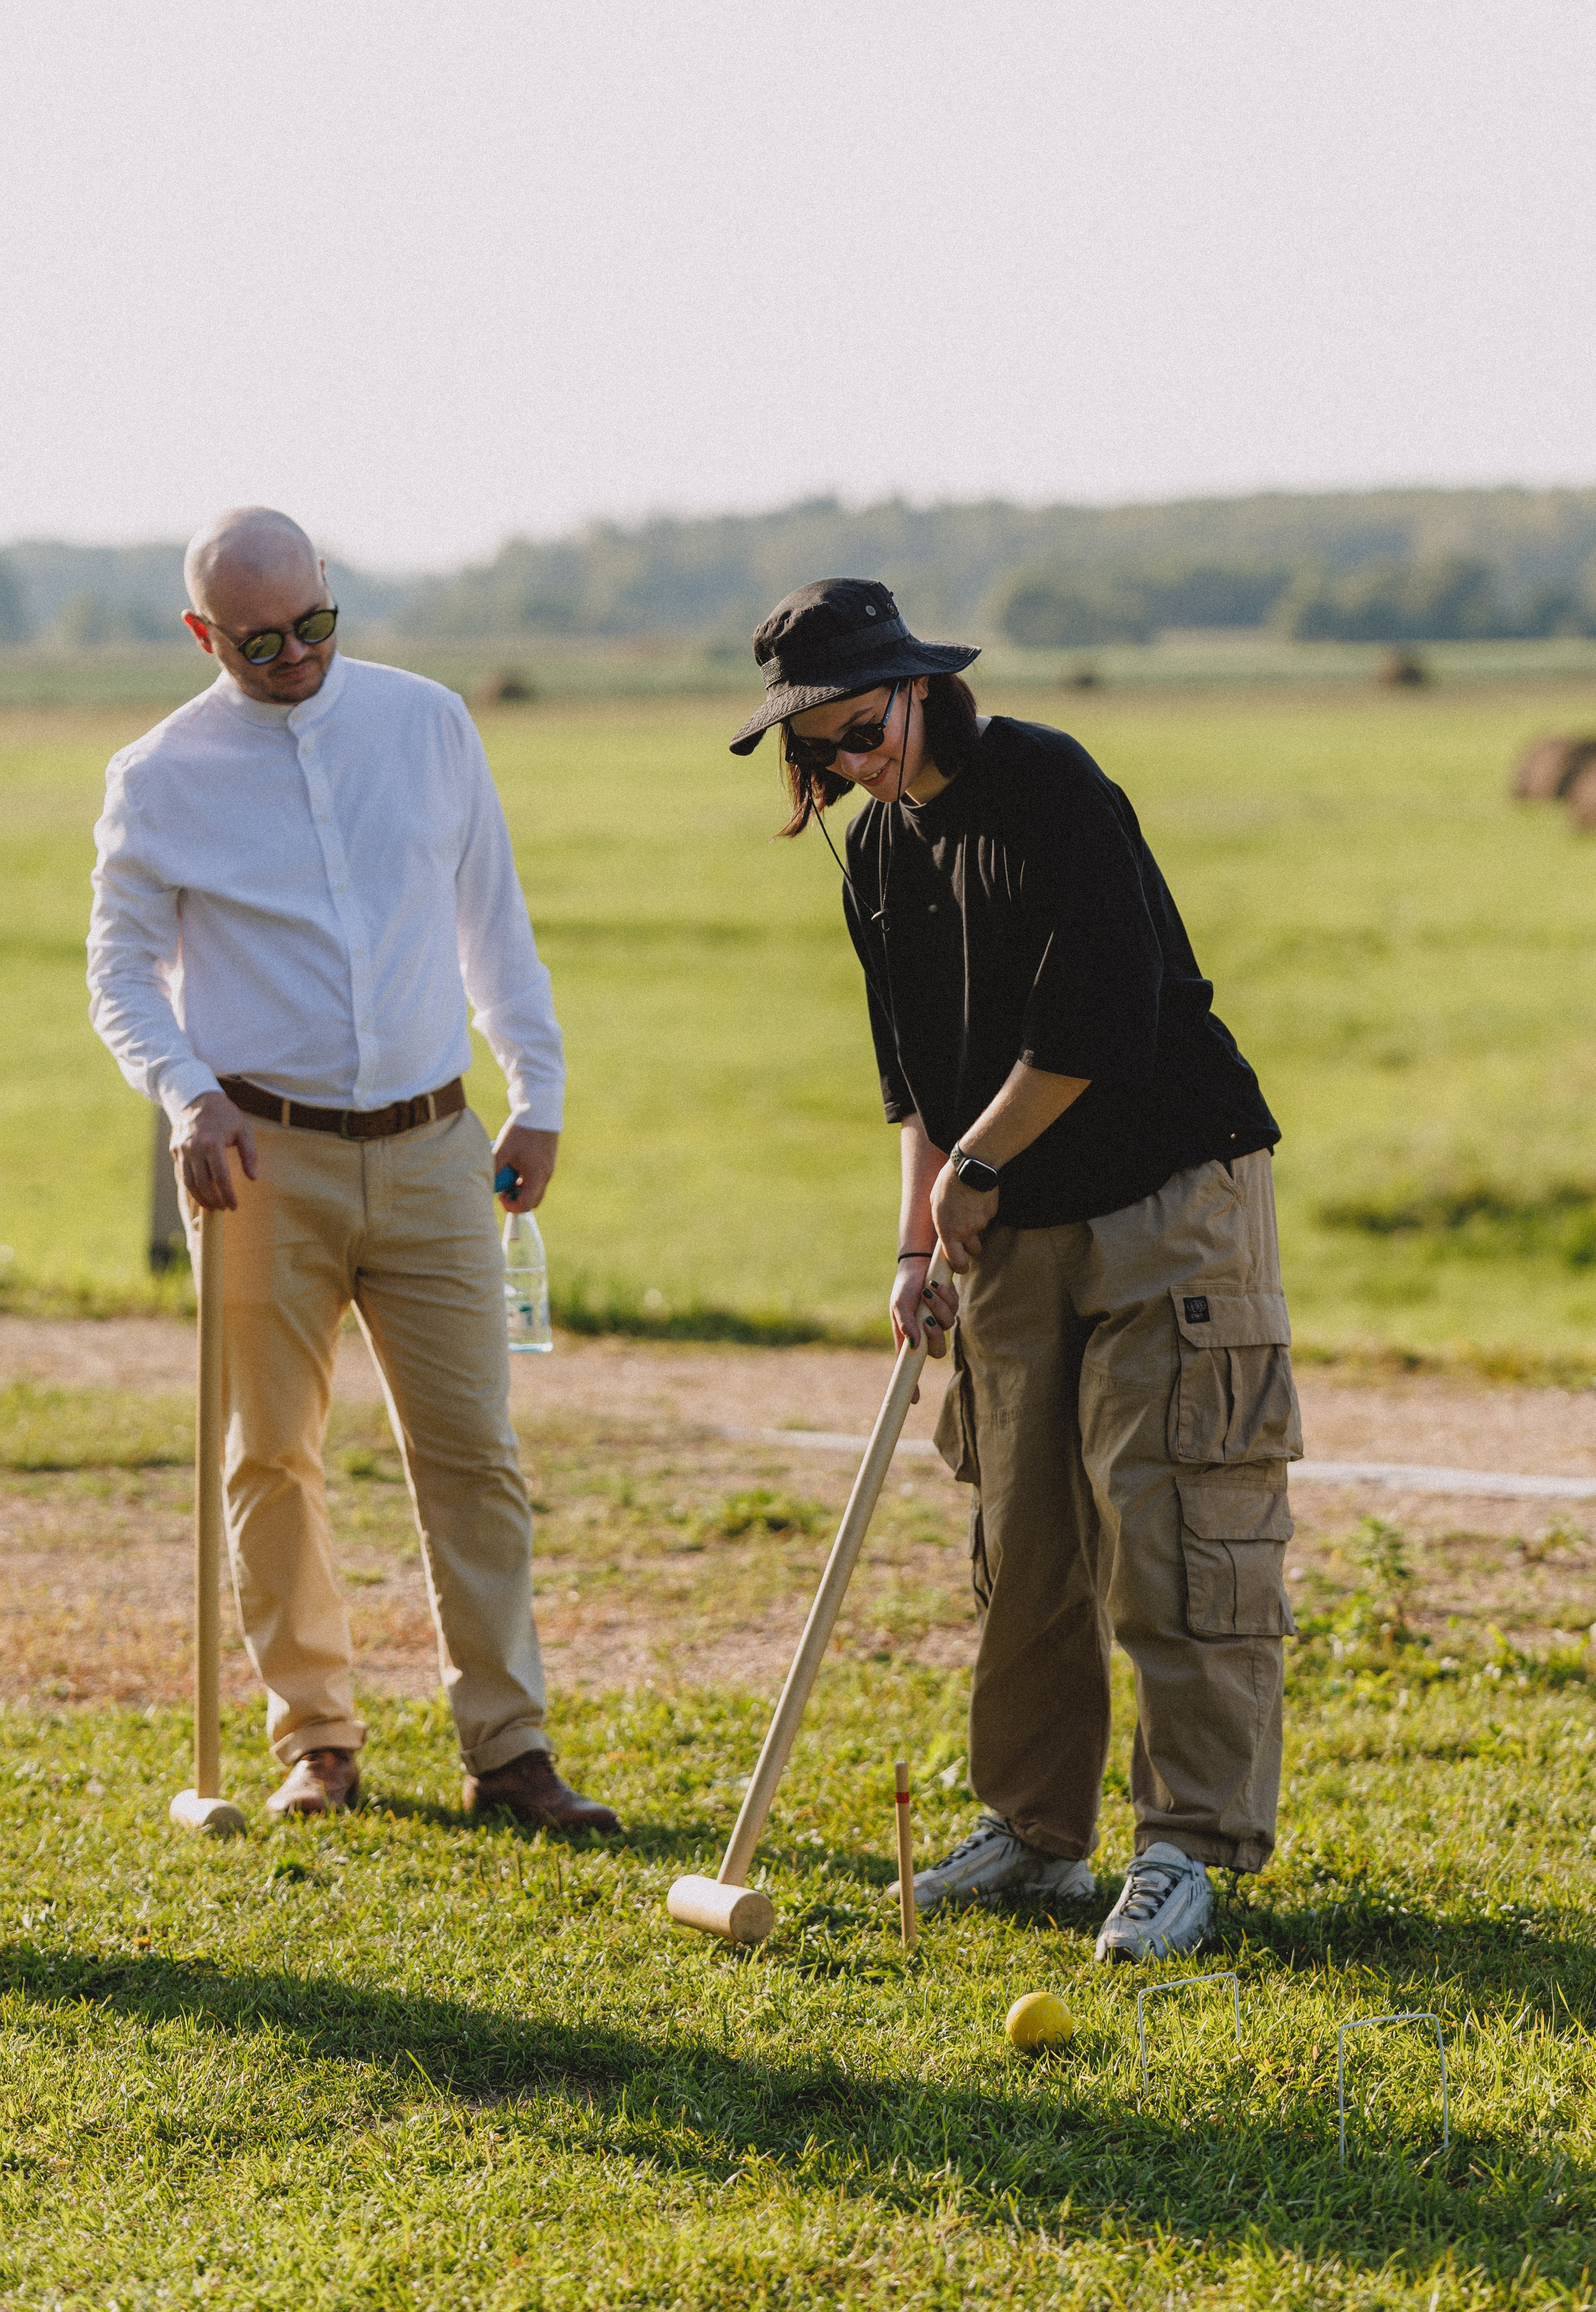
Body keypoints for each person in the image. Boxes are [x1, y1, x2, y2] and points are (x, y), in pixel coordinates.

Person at [729, 578, 1301, 1962]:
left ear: (917, 686)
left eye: (856, 728)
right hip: (1004, 1221)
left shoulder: (1045, 783)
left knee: (1169, 1521)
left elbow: (1093, 1020)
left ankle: (1188, 1846)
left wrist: (976, 1177)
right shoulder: (871, 861)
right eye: (812, 749)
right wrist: (919, 1240)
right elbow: (916, 1092)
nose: (845, 764)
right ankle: (1037, 1831)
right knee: (1021, 1536)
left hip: (1166, 1193)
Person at [87, 506, 620, 1833]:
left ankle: (509, 1749)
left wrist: (535, 1092)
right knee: (270, 1455)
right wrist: (188, 1094)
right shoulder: (157, 775)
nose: (296, 657)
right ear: (205, 633)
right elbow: (118, 976)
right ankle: (315, 1739)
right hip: (259, 1155)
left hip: (438, 1145)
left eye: (315, 624)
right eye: (260, 642)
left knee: (474, 1454)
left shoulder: (429, 721)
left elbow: (493, 919)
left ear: (332, 591)